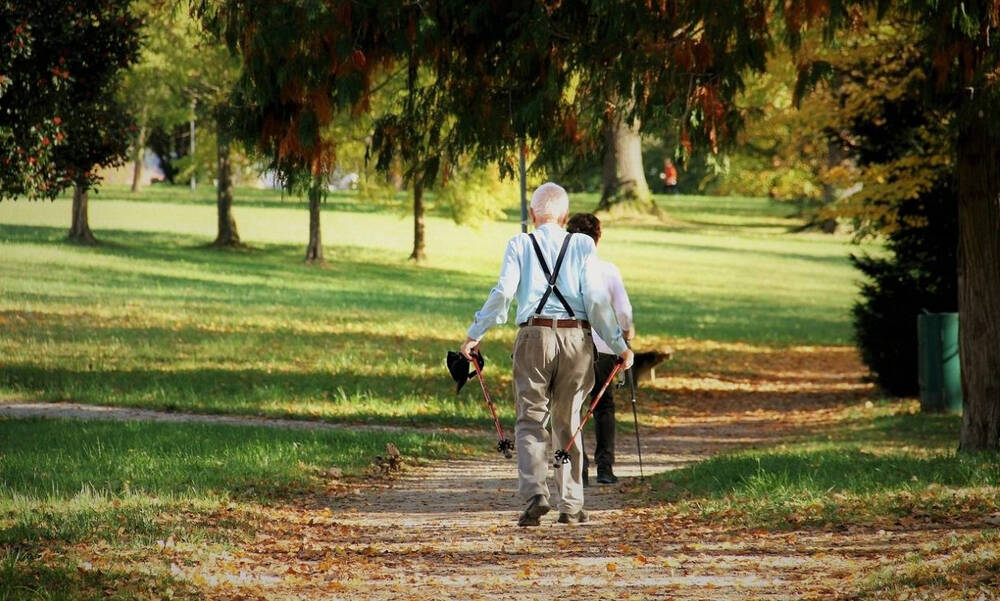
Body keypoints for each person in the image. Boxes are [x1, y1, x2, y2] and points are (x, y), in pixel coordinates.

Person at [460, 182, 633, 527]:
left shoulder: (519, 244)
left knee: (530, 418)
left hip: (533, 336)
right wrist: (619, 345)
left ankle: (536, 494)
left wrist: (474, 334)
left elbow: (503, 293)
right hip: (576, 338)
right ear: (565, 216)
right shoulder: (583, 245)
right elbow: (597, 302)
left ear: (532, 215)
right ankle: (571, 504)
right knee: (568, 420)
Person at [565, 213, 634, 485]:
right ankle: (605, 468)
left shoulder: (564, 272)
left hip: (573, 344)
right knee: (604, 406)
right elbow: (624, 310)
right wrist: (626, 335)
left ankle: (578, 469)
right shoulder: (608, 270)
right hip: (605, 346)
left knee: (574, 405)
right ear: (598, 238)